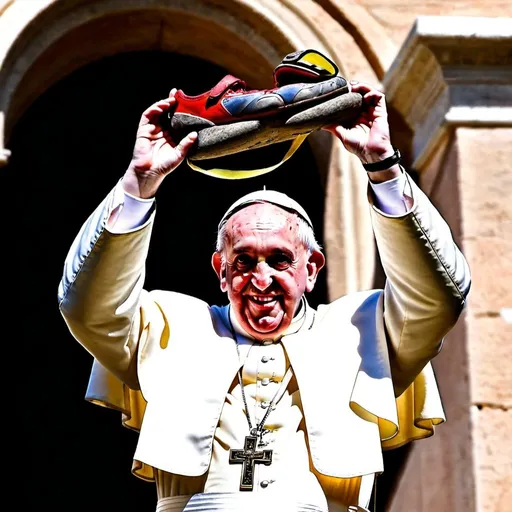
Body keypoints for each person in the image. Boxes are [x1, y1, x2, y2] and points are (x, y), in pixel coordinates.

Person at [58, 80, 471, 512]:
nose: (260, 279)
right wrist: (139, 182)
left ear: (311, 269)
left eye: (279, 259)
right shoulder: (169, 327)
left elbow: (439, 296)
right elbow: (86, 307)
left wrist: (383, 168)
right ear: (220, 271)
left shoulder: (362, 330)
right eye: (243, 262)